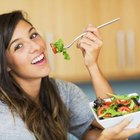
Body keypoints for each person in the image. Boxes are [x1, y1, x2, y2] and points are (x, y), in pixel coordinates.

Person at [0, 10, 139, 140]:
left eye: (33, 35)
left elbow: (117, 123)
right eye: (18, 46)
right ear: (5, 64)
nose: (36, 47)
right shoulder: (5, 118)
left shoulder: (63, 91)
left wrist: (92, 65)